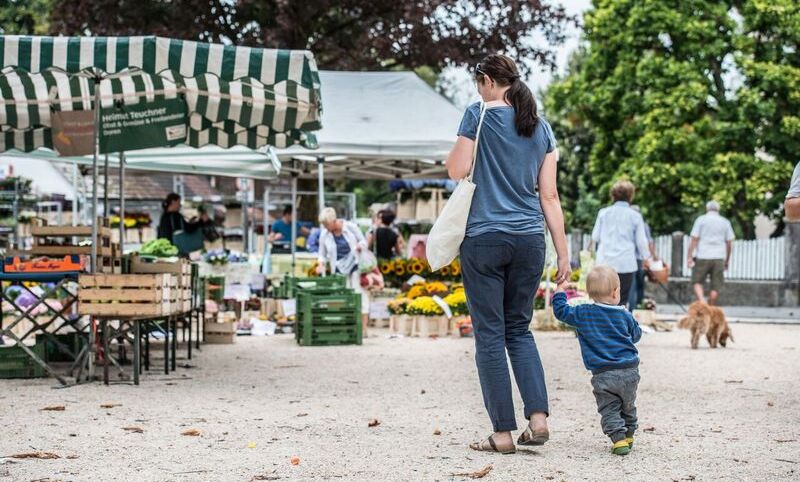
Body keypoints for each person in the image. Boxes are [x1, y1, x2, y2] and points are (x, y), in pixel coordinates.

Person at [446, 53, 570, 454]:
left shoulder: (477, 114)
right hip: (531, 240)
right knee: (519, 330)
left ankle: (501, 433)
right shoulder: (540, 127)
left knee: (489, 335)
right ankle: (538, 419)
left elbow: (455, 170)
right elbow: (548, 196)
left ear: (486, 80)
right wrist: (564, 254)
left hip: (484, 238)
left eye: (477, 82)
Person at [552, 265, 642, 456]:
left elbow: (561, 311)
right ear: (616, 291)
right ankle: (630, 433)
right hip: (629, 370)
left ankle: (618, 440)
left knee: (609, 407)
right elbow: (636, 336)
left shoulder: (583, 313)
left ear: (589, 293)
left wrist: (560, 290)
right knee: (628, 403)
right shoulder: (624, 314)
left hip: (603, 373)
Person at [591, 181, 652, 307]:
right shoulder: (635, 216)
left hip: (605, 261)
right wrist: (646, 259)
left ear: (612, 196)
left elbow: (595, 236)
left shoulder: (603, 213)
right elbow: (641, 241)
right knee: (621, 299)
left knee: (602, 298)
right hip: (625, 263)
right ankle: (620, 325)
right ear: (631, 196)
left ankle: (602, 324)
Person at [316, 207, 370, 331]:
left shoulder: (350, 227)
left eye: (326, 224)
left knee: (360, 295)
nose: (324, 227)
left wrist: (360, 246)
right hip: (339, 270)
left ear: (333, 221)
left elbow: (363, 241)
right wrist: (321, 264)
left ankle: (363, 329)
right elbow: (321, 254)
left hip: (356, 266)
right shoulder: (324, 234)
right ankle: (348, 327)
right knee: (344, 298)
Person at [687, 201, 735, 305]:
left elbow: (694, 239)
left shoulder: (701, 220)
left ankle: (702, 302)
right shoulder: (725, 222)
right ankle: (711, 305)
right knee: (716, 285)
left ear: (707, 208)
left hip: (703, 255)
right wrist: (727, 260)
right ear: (718, 209)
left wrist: (689, 256)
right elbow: (729, 242)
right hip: (719, 256)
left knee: (697, 281)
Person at [628, 205, 657, 311]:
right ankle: (639, 306)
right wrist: (650, 257)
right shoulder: (644, 225)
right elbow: (649, 242)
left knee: (632, 284)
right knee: (640, 284)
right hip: (640, 259)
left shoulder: (629, 224)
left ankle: (632, 308)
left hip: (631, 258)